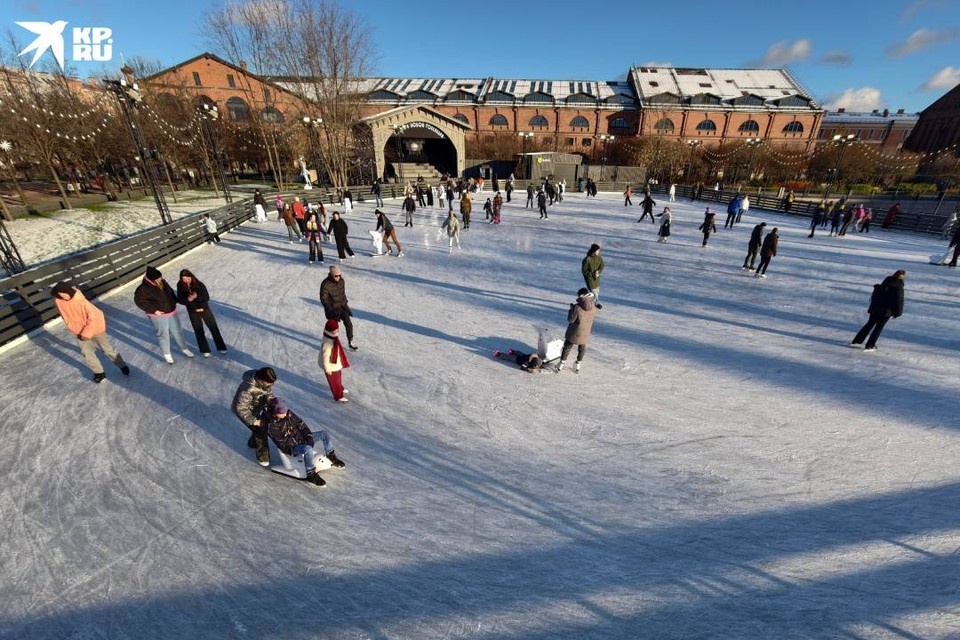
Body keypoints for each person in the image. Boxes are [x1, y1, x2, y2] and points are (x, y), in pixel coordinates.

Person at [51, 282, 130, 383]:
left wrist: (86, 333)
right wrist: (72, 326)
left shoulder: (82, 302)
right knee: (87, 353)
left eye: (58, 295)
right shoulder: (59, 302)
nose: (57, 297)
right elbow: (65, 315)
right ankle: (99, 373)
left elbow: (95, 317)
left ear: (63, 294)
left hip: (96, 329)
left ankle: (122, 365)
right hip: (78, 331)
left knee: (108, 350)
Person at [263, 396, 346, 487]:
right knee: (307, 449)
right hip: (291, 448)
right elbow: (283, 443)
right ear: (275, 413)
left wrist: (308, 436)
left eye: (285, 411)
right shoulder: (272, 425)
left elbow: (300, 424)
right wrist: (302, 443)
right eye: (282, 413)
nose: (285, 414)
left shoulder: (288, 413)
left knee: (324, 434)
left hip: (301, 439)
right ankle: (310, 474)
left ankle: (331, 456)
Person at [134, 266, 194, 363]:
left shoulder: (163, 283)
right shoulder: (143, 289)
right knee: (163, 334)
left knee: (177, 331)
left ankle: (184, 348)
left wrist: (179, 301)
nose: (161, 279)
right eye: (158, 278)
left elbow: (171, 294)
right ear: (152, 279)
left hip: (171, 311)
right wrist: (154, 310)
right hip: (158, 316)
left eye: (160, 277)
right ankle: (167, 354)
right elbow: (139, 301)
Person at [231, 366, 277, 467]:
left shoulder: (265, 383)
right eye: (269, 383)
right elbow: (241, 409)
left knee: (264, 424)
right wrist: (254, 421)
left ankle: (252, 443)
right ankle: (263, 457)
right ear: (262, 380)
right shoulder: (248, 388)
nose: (271, 385)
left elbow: (269, 394)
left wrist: (274, 403)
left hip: (256, 407)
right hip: (244, 412)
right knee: (260, 430)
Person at [176, 269, 227, 356]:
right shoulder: (180, 286)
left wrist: (197, 296)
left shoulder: (199, 284)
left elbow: (206, 297)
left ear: (191, 277)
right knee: (198, 330)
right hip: (193, 312)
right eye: (184, 279)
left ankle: (221, 347)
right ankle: (205, 350)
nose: (186, 281)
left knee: (213, 328)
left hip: (205, 309)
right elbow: (180, 300)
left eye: (188, 278)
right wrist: (188, 299)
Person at [851, 270, 905, 351]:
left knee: (869, 324)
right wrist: (898, 313)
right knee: (878, 328)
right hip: (886, 311)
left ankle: (857, 341)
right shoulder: (899, 287)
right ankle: (870, 345)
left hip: (875, 309)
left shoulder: (884, 284)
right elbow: (899, 301)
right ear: (902, 277)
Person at [556, 288, 597, 374]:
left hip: (574, 331)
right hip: (586, 330)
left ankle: (561, 364)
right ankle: (578, 364)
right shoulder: (593, 304)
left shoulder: (577, 307)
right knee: (582, 347)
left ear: (581, 296)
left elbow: (571, 320)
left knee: (567, 346)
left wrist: (571, 309)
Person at [320, 264, 359, 350]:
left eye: (339, 275)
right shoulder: (325, 284)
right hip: (332, 309)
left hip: (342, 307)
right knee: (334, 329)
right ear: (331, 275)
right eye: (336, 276)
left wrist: (345, 303)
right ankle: (331, 344)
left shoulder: (342, 281)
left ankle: (350, 341)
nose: (338, 277)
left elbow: (342, 294)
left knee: (349, 324)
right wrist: (330, 309)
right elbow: (324, 299)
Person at [319, 318, 351, 402]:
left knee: (338, 377)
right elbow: (325, 356)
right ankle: (338, 396)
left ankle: (340, 388)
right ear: (329, 331)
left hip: (335, 363)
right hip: (330, 365)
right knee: (334, 382)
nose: (336, 331)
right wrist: (327, 369)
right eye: (334, 330)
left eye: (337, 329)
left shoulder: (332, 338)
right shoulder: (328, 342)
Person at [581, 243, 604, 309]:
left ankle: (592, 302)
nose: (599, 252)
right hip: (590, 280)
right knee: (594, 293)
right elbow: (584, 271)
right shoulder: (587, 259)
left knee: (597, 292)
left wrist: (598, 272)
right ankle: (597, 303)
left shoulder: (599, 257)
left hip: (597, 279)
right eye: (598, 250)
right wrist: (592, 274)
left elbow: (602, 265)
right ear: (594, 251)